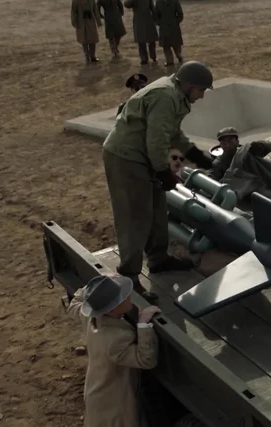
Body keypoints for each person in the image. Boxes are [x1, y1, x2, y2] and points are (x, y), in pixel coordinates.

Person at [102, 61, 216, 302]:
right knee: (135, 217)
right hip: (126, 157)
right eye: (201, 90)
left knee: (156, 209)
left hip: (143, 155)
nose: (202, 96)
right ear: (189, 85)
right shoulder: (165, 97)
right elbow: (156, 140)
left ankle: (158, 258)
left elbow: (171, 132)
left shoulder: (175, 95)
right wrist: (163, 172)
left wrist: (195, 155)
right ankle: (129, 276)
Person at [66, 274, 160, 427]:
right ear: (111, 310)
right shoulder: (116, 339)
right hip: (113, 405)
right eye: (122, 298)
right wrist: (143, 325)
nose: (128, 297)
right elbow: (145, 360)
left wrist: (94, 290)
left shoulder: (90, 318)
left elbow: (75, 303)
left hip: (99, 395)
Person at [124, 0, 159, 65]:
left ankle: (153, 56)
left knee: (151, 41)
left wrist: (156, 20)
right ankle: (144, 59)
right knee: (141, 42)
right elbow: (126, 4)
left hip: (148, 21)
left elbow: (153, 8)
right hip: (138, 22)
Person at [71, 0, 103, 64]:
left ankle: (92, 56)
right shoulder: (76, 1)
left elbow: (95, 10)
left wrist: (98, 21)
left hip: (91, 22)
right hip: (81, 22)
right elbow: (73, 12)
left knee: (93, 39)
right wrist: (74, 22)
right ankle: (87, 56)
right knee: (84, 40)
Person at [154, 0, 184, 66]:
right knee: (166, 46)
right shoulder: (159, 2)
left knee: (176, 44)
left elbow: (180, 14)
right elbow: (156, 15)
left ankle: (179, 56)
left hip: (174, 27)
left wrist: (176, 22)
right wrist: (160, 23)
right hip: (164, 27)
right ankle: (169, 61)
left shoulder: (175, 1)